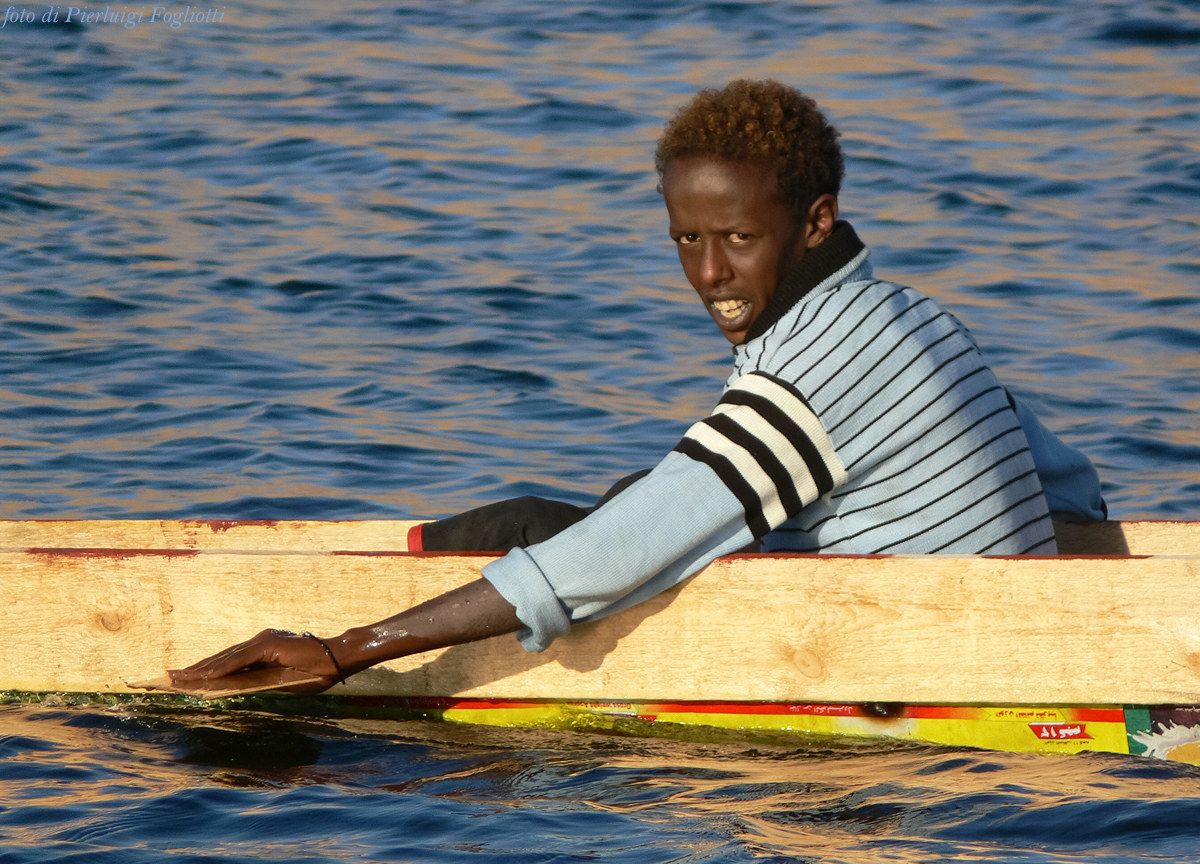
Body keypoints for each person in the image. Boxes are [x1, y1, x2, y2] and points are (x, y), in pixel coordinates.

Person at [169, 79, 1105, 692]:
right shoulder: (921, 320)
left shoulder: (811, 376)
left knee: (548, 530)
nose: (710, 274)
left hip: (906, 675)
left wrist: (349, 652)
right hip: (979, 638)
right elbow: (1072, 491)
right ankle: (367, 570)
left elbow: (613, 557)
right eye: (687, 241)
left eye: (738, 238)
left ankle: (323, 614)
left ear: (816, 222)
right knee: (620, 504)